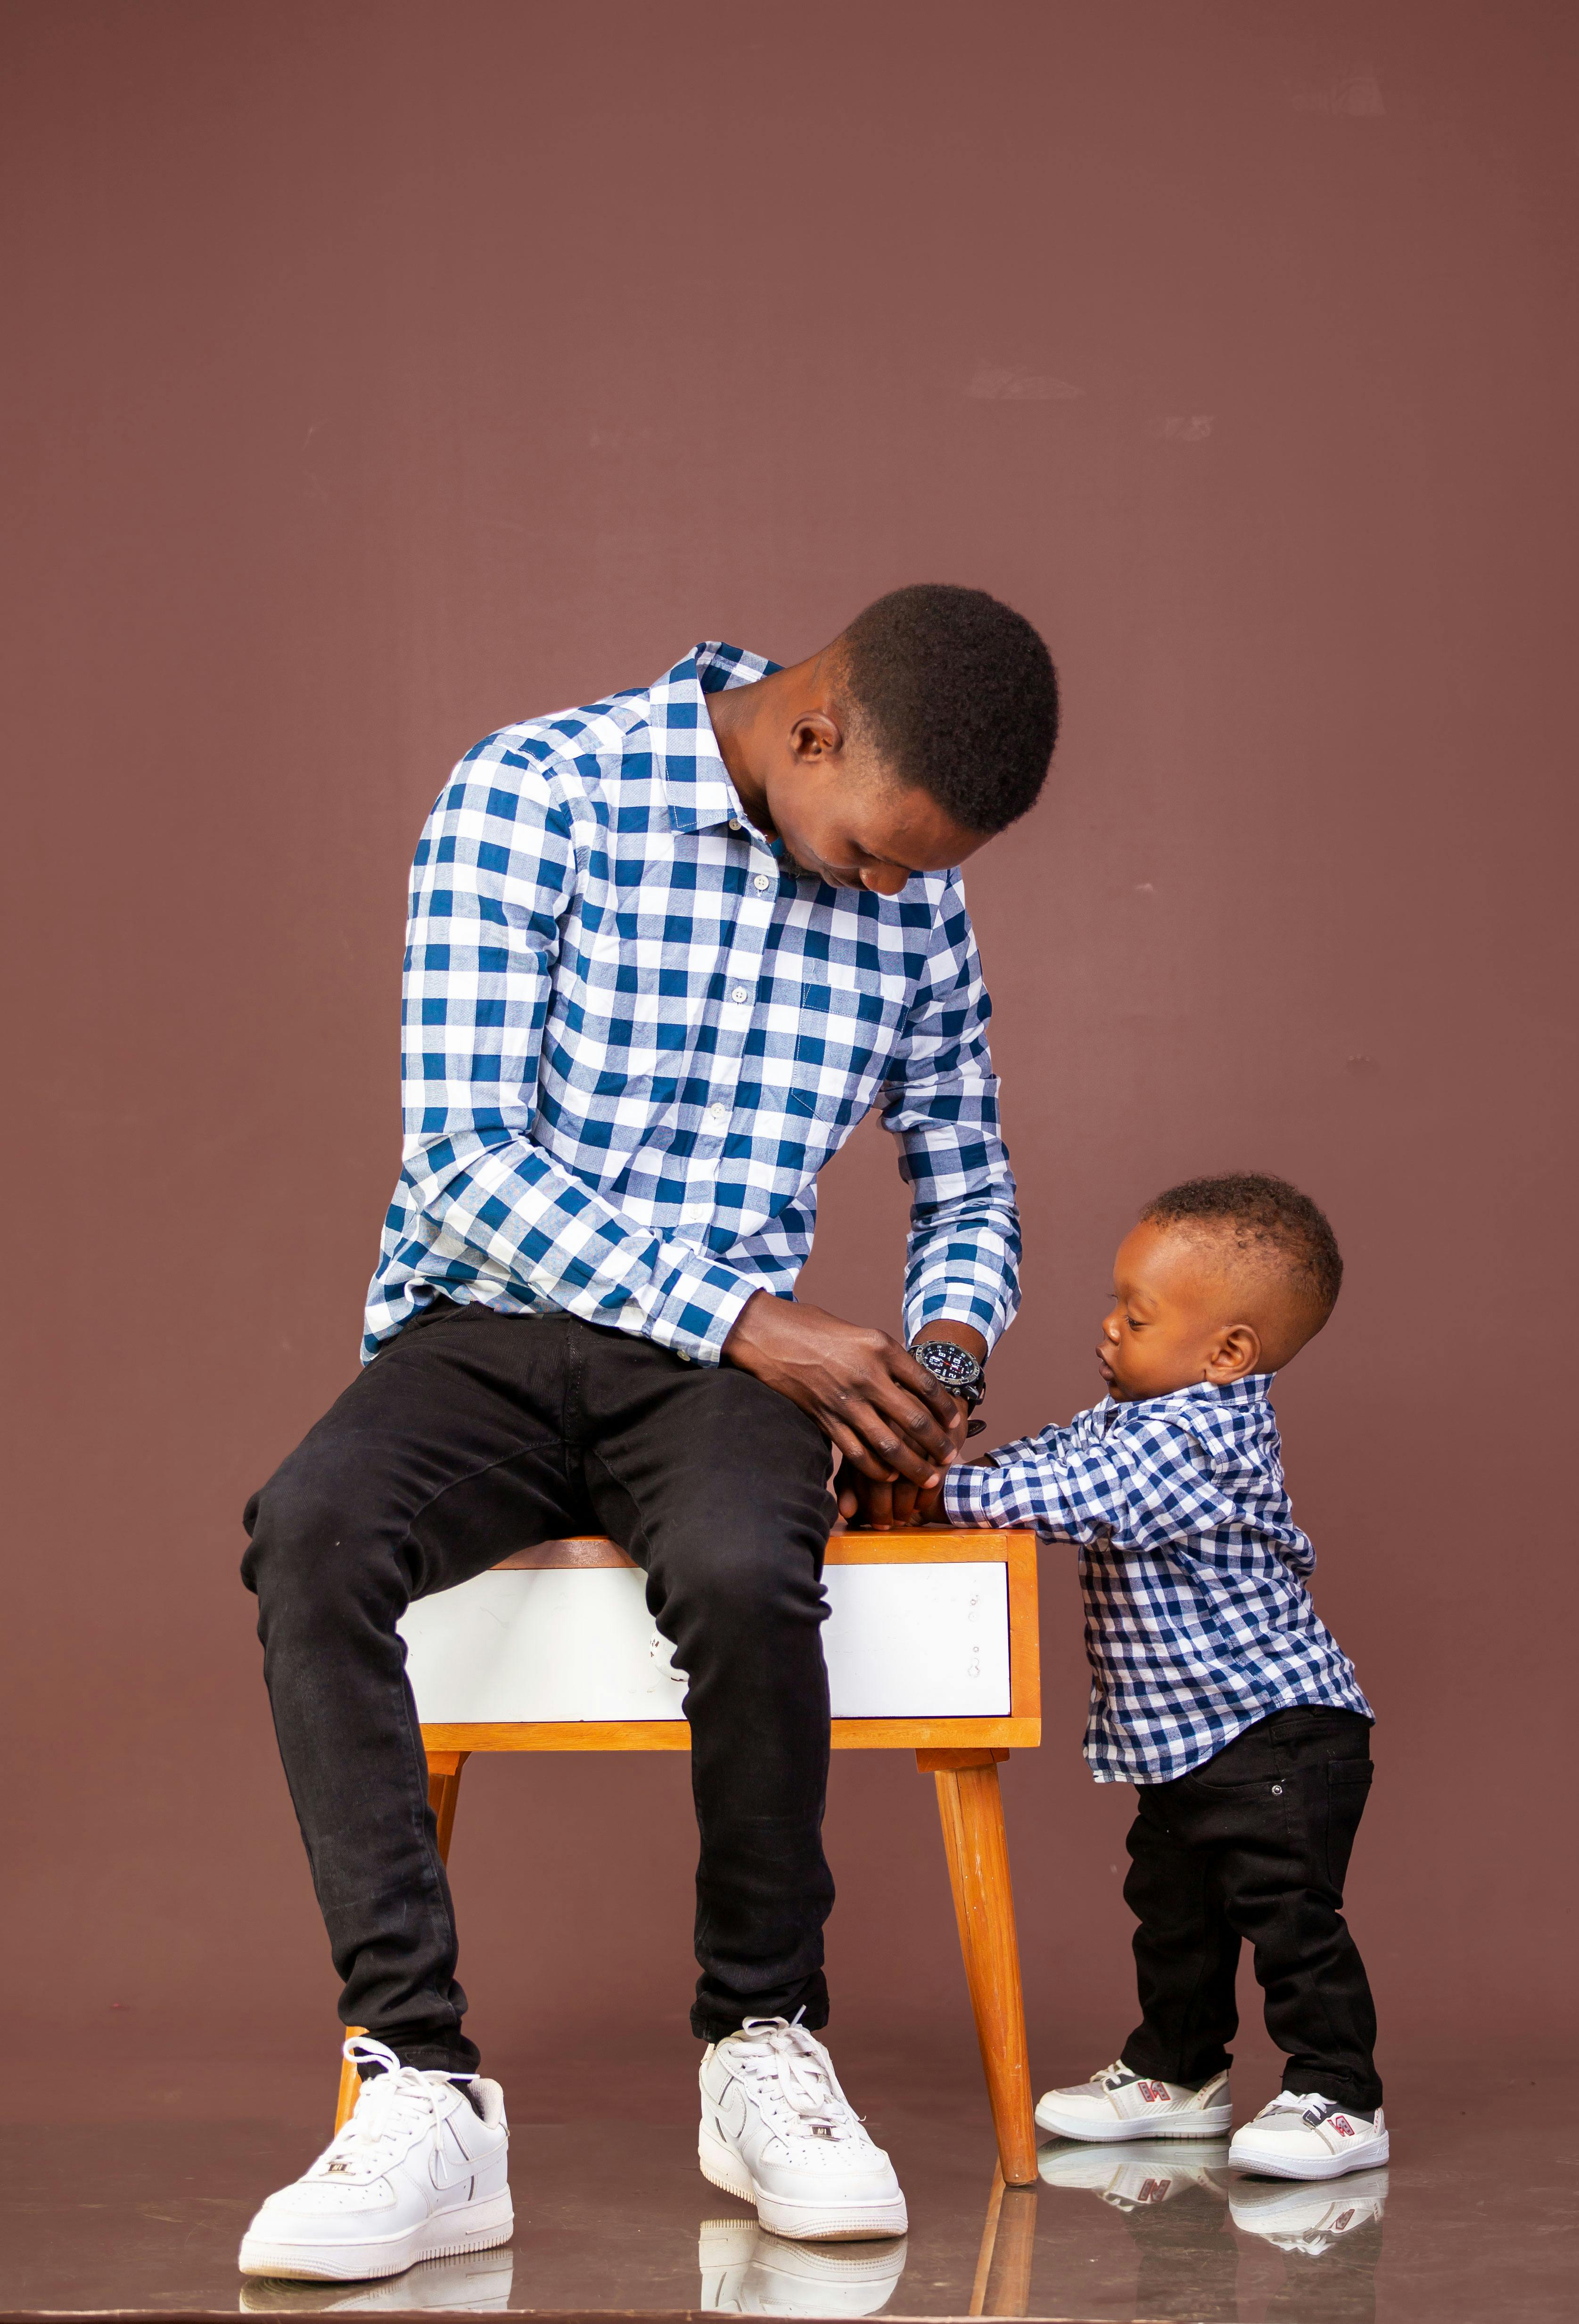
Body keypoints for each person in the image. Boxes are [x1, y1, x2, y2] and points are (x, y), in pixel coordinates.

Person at [236, 585, 1059, 2280]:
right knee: (311, 1530)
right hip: (488, 1322)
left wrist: (944, 1350)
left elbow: (965, 1176)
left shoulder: (925, 900)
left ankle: (762, 2039)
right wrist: (762, 1322)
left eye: (926, 870)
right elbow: (460, 1162)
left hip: (717, 1387)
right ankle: (423, 2089)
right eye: (884, 854)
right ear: (812, 728)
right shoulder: (532, 794)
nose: (904, 892)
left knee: (760, 1571)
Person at [850, 1174, 1385, 2185]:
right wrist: (940, 1469)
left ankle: (1340, 2095)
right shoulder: (1127, 1419)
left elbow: (1061, 1493)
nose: (1107, 1327)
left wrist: (925, 1485)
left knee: (1288, 1924)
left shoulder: (1196, 1437)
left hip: (1276, 1731)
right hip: (1189, 1742)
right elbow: (1047, 1454)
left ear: (1227, 1353)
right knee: (1174, 1911)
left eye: (1135, 1316)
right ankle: (1177, 2075)